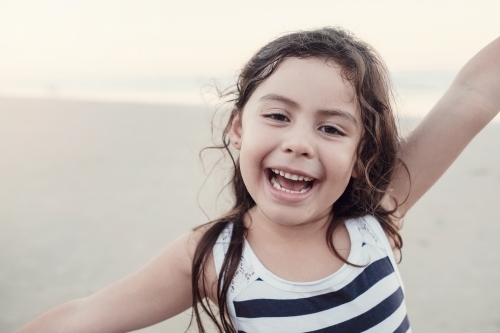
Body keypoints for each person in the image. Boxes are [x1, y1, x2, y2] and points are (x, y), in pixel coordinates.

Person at [17, 27, 500, 333]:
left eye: (331, 128)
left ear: (360, 156)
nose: (300, 142)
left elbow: (472, 95)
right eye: (277, 115)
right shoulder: (216, 257)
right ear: (239, 128)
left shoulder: (378, 212)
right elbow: (83, 319)